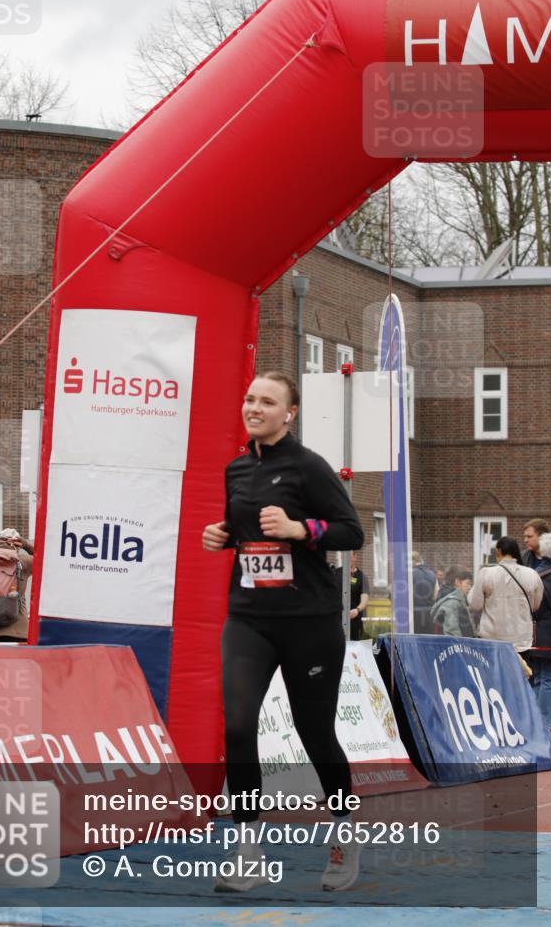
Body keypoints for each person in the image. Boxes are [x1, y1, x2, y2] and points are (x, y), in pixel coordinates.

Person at [202, 371, 364, 893]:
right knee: (237, 727)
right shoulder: (237, 468)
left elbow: (351, 531)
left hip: (308, 622)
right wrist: (222, 536)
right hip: (249, 619)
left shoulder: (309, 466)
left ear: (289, 413)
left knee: (314, 733)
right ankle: (247, 849)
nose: (254, 408)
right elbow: (244, 530)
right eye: (249, 398)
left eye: (267, 402)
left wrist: (301, 530)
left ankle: (344, 833)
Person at [468, 537, 543, 651]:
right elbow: (535, 606)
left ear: (498, 551)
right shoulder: (532, 574)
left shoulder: (486, 573)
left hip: (492, 640)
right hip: (522, 641)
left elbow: (475, 605)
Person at [524, 533, 551, 734]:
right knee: (550, 680)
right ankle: (542, 728)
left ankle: (535, 726)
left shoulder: (535, 573)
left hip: (535, 634)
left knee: (539, 679)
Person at [332, 551, 370, 640]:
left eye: (349, 556)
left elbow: (364, 600)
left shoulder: (361, 577)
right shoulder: (335, 573)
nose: (345, 558)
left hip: (354, 621)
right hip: (336, 620)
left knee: (353, 645)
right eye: (344, 556)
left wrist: (357, 610)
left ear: (355, 557)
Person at [430, 567, 475, 637]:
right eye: (468, 583)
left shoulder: (456, 599)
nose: (470, 587)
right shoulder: (452, 603)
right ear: (457, 582)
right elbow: (452, 632)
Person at [412, 551, 437, 634]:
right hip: (429, 614)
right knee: (428, 639)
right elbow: (436, 595)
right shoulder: (432, 574)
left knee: (415, 639)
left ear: (413, 560)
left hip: (414, 614)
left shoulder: (409, 574)